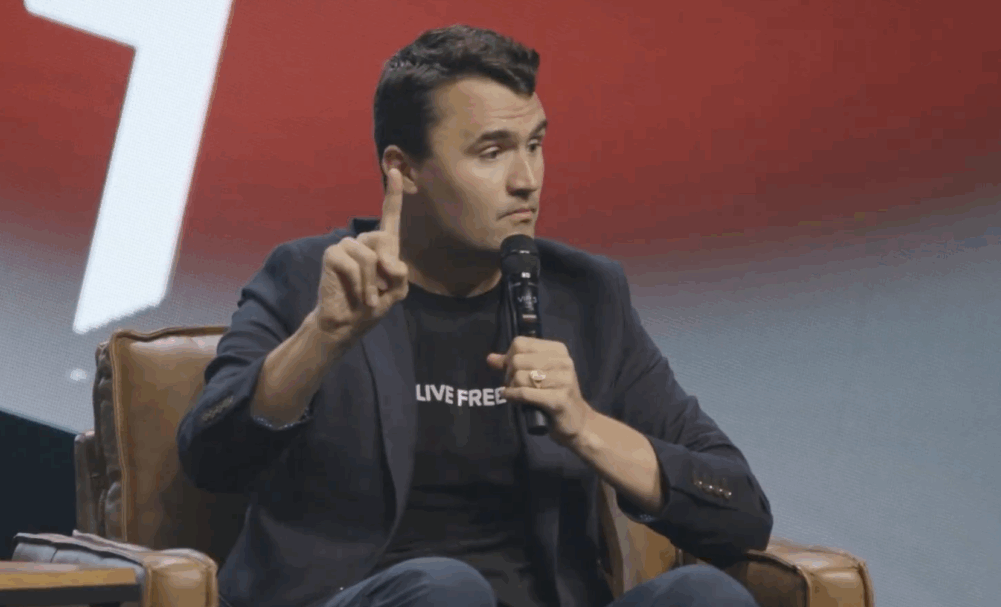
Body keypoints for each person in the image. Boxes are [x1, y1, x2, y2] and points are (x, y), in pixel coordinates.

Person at [177, 24, 773, 607]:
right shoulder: (315, 277)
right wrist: (322, 337)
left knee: (706, 595)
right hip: (386, 597)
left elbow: (742, 513)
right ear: (403, 169)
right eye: (493, 152)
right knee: (445, 588)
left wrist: (585, 426)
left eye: (534, 145)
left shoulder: (585, 296)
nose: (526, 181)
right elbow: (210, 457)